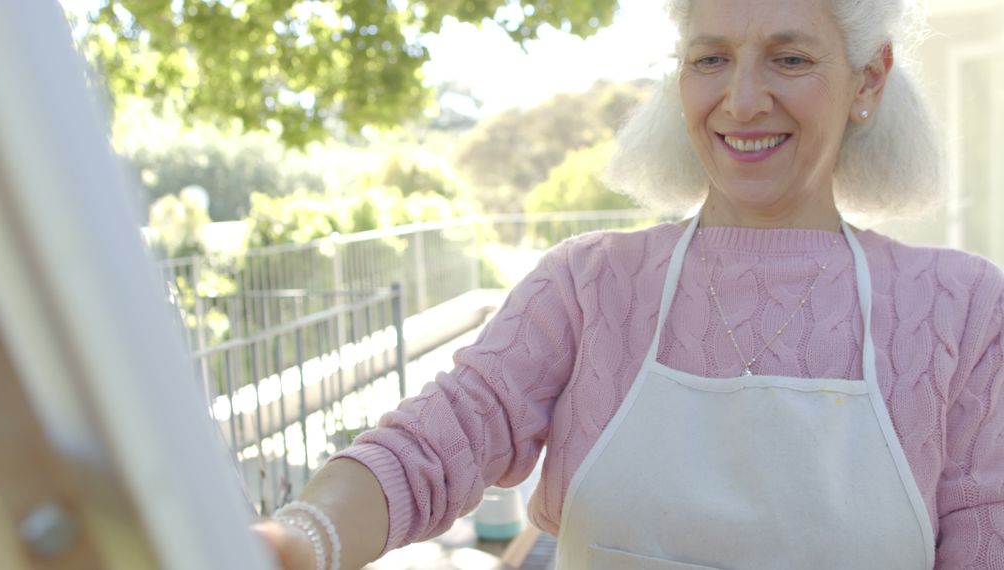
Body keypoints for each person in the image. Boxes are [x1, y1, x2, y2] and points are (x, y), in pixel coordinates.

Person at [256, 0, 1004, 567]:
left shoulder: (962, 308)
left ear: (866, 81)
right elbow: (438, 439)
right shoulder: (588, 285)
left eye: (790, 59)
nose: (741, 101)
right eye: (710, 59)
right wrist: (302, 538)